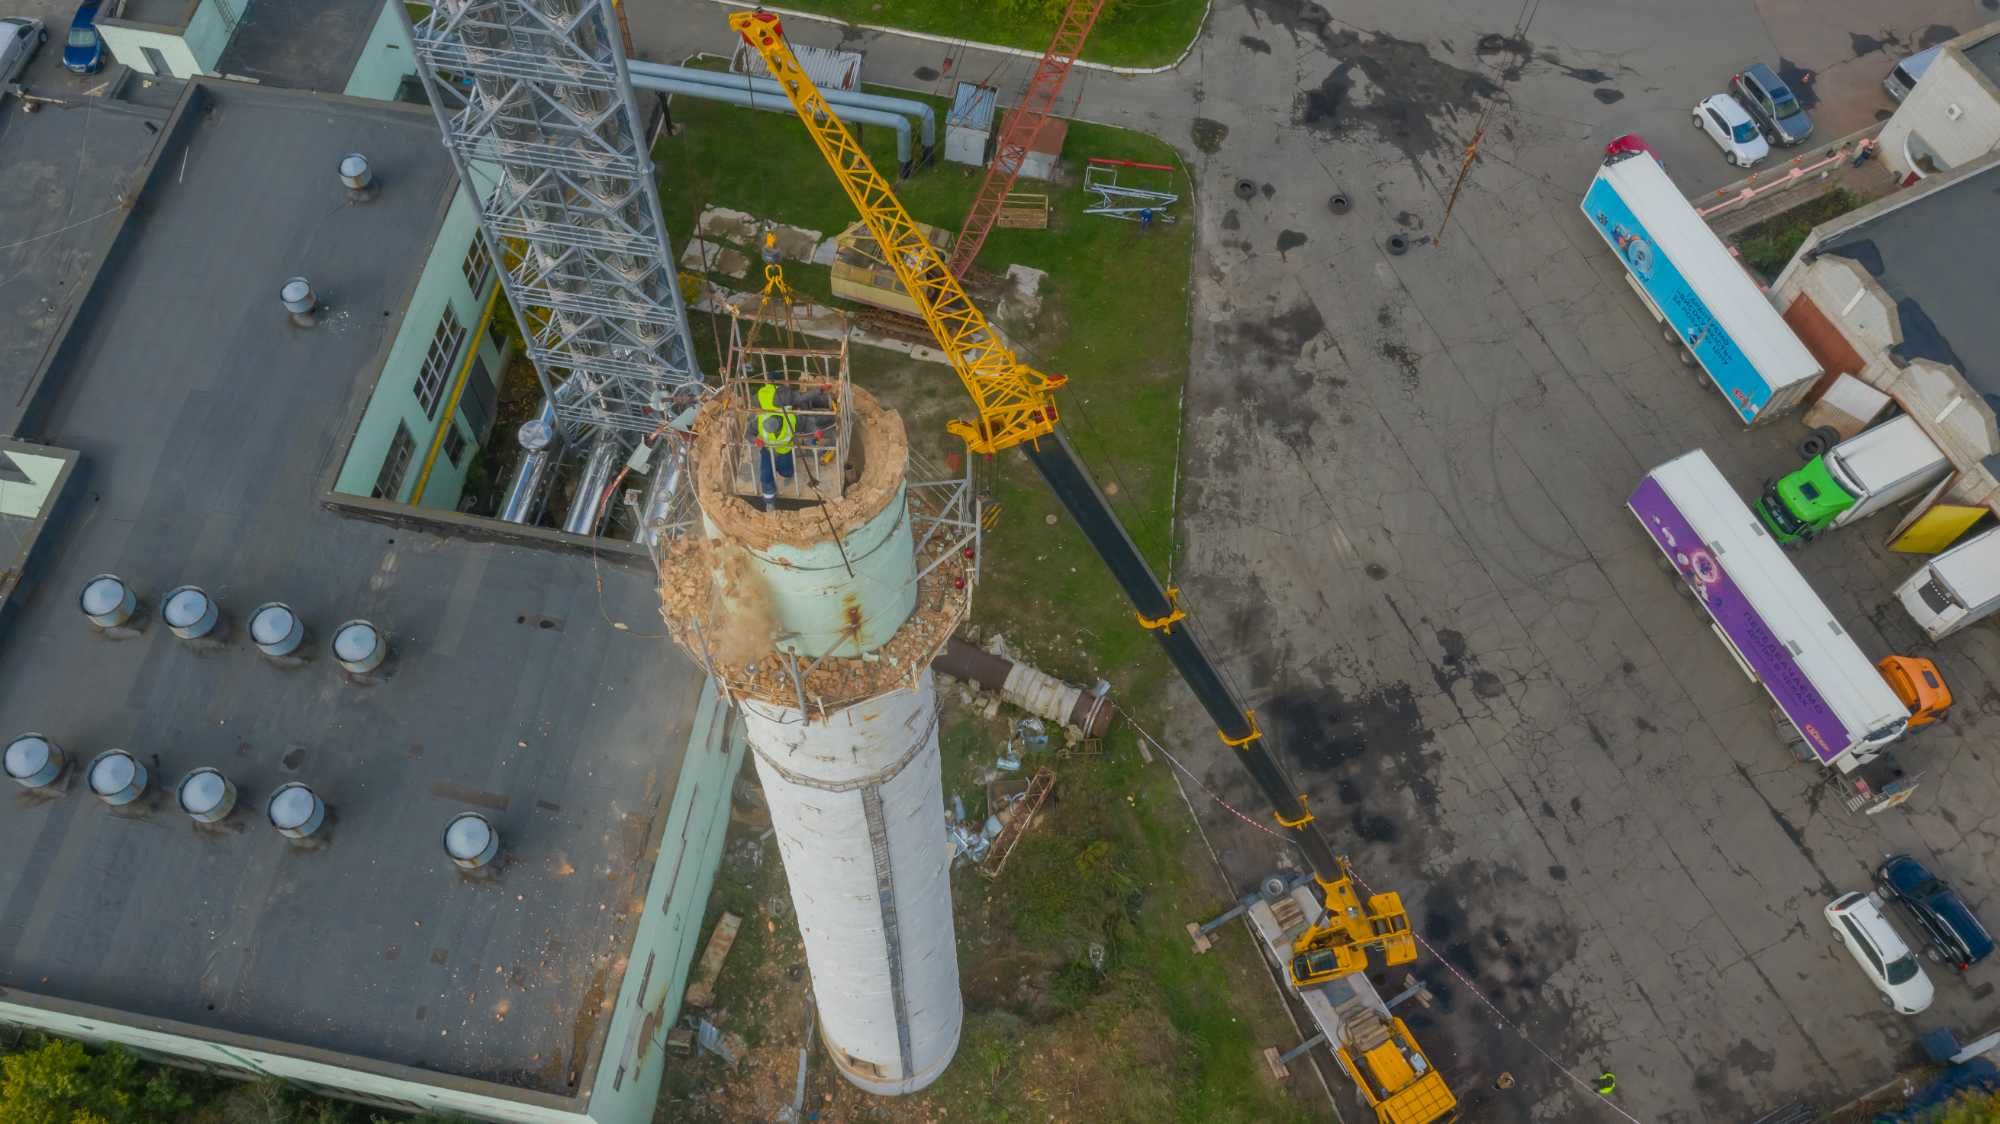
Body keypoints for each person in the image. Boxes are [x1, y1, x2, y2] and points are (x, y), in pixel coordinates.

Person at [753, 384, 796, 511]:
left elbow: (806, 425)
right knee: (766, 474)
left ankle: (787, 475)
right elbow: (749, 433)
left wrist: (814, 433)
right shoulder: (760, 419)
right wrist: (756, 440)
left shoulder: (789, 418)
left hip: (784, 450)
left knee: (786, 470)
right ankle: (769, 502)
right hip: (767, 450)